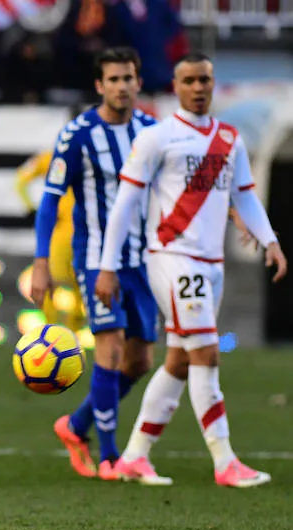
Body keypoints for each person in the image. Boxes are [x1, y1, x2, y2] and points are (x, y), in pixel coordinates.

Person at [94, 52, 287, 487]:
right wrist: (107, 267)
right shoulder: (159, 138)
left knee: (180, 361)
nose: (198, 88)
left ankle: (133, 457)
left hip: (210, 263)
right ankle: (225, 461)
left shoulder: (229, 139)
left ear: (213, 84)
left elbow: (245, 196)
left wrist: (270, 239)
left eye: (205, 80)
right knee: (207, 354)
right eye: (189, 81)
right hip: (172, 257)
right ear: (175, 86)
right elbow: (125, 204)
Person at [31, 47, 158, 480]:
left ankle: (75, 425)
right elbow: (50, 201)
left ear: (138, 82)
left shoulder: (151, 131)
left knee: (140, 363)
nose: (123, 86)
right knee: (111, 346)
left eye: (129, 78)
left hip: (143, 261)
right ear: (99, 85)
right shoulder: (78, 134)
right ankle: (108, 457)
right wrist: (42, 262)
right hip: (96, 260)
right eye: (114, 79)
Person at [15, 148, 86, 336]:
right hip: (81, 230)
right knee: (76, 279)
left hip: (69, 231)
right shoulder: (93, 157)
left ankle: (57, 329)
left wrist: (31, 208)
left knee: (56, 278)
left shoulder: (53, 158)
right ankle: (64, 328)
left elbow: (21, 181)